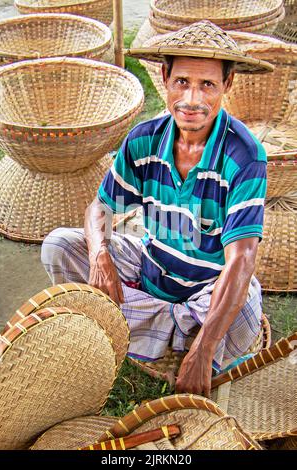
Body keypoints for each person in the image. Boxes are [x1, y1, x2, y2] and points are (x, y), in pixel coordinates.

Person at [41, 20, 272, 397]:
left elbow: (241, 260)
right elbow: (100, 207)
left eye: (208, 85)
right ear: (164, 77)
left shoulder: (244, 156)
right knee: (59, 246)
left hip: (205, 292)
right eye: (182, 81)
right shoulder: (144, 139)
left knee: (243, 307)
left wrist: (205, 347)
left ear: (227, 85)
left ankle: (154, 333)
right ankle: (167, 334)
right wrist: (100, 255)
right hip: (151, 268)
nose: (192, 100)